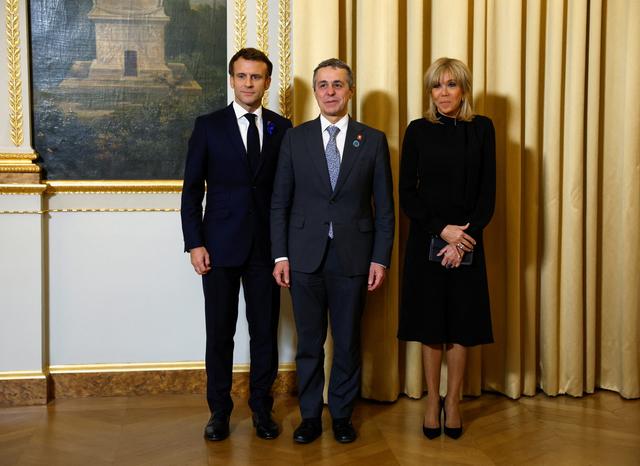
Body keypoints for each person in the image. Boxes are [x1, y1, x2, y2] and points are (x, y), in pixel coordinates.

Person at [270, 58, 394, 444]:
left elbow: (385, 209)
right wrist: (280, 255)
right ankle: (309, 417)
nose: (330, 92)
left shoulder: (371, 140)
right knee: (309, 344)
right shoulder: (295, 138)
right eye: (322, 85)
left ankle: (341, 415)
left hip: (354, 259)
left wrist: (380, 257)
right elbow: (280, 203)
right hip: (304, 258)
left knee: (347, 341)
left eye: (337, 85)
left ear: (350, 91)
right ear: (316, 91)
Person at [181, 48, 292, 441]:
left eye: (257, 77)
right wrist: (195, 243)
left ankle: (262, 408)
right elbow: (192, 191)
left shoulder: (283, 128)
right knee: (220, 333)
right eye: (242, 76)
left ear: (267, 81)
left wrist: (285, 250)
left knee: (264, 333)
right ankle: (219, 412)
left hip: (266, 251)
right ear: (232, 79)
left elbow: (288, 195)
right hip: (219, 248)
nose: (249, 83)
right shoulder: (209, 126)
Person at [398, 57, 496, 440]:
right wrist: (443, 233)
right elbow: (408, 194)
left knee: (461, 324)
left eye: (451, 85)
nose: (443, 93)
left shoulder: (482, 129)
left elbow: (488, 193)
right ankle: (430, 401)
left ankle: (452, 401)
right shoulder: (418, 130)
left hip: (470, 239)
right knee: (430, 324)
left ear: (464, 89)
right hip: (427, 239)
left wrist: (463, 239)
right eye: (436, 86)